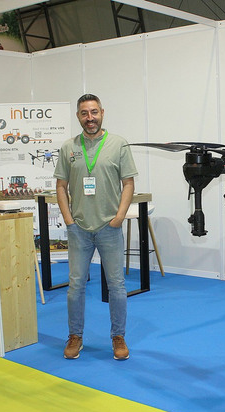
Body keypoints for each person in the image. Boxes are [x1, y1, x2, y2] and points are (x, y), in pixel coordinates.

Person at [54, 94, 138, 360]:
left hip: (109, 227)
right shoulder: (68, 147)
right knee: (75, 286)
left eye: (93, 112)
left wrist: (119, 217)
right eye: (84, 113)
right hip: (79, 228)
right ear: (78, 116)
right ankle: (75, 336)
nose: (89, 118)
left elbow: (128, 183)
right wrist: (69, 220)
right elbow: (60, 186)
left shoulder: (118, 144)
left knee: (117, 286)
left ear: (102, 112)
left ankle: (118, 336)